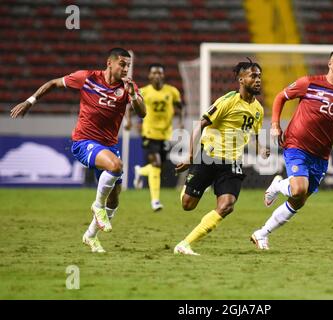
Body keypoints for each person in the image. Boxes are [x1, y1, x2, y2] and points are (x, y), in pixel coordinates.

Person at [10, 48, 146, 253]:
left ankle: (90, 236)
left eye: (128, 65)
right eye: (122, 64)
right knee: (116, 166)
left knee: (115, 198)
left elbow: (142, 113)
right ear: (109, 63)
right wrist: (30, 101)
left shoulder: (128, 87)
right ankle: (97, 206)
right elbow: (53, 83)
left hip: (108, 145)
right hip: (84, 141)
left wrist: (134, 94)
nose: (126, 68)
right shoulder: (87, 78)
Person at [250, 48, 333, 250]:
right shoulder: (308, 83)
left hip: (321, 156)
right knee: (299, 189)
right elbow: (280, 97)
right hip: (296, 145)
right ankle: (277, 186)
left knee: (299, 201)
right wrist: (275, 125)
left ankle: (262, 233)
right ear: (330, 64)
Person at [173, 58, 270, 255]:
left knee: (226, 206)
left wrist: (261, 147)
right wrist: (191, 155)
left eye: (259, 76)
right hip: (208, 158)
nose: (258, 79)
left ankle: (185, 244)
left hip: (232, 163)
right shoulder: (227, 102)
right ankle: (191, 187)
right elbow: (199, 124)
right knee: (187, 205)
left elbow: (256, 132)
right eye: (253, 76)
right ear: (241, 79)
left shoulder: (258, 109)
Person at [133, 63, 183, 211]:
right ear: (149, 76)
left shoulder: (172, 91)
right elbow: (132, 107)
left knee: (158, 167)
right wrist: (131, 122)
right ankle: (155, 201)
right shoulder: (144, 91)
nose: (157, 76)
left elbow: (180, 107)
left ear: (163, 75)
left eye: (159, 73)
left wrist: (180, 122)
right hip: (149, 133)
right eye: (154, 73)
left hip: (165, 133)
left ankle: (140, 171)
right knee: (156, 164)